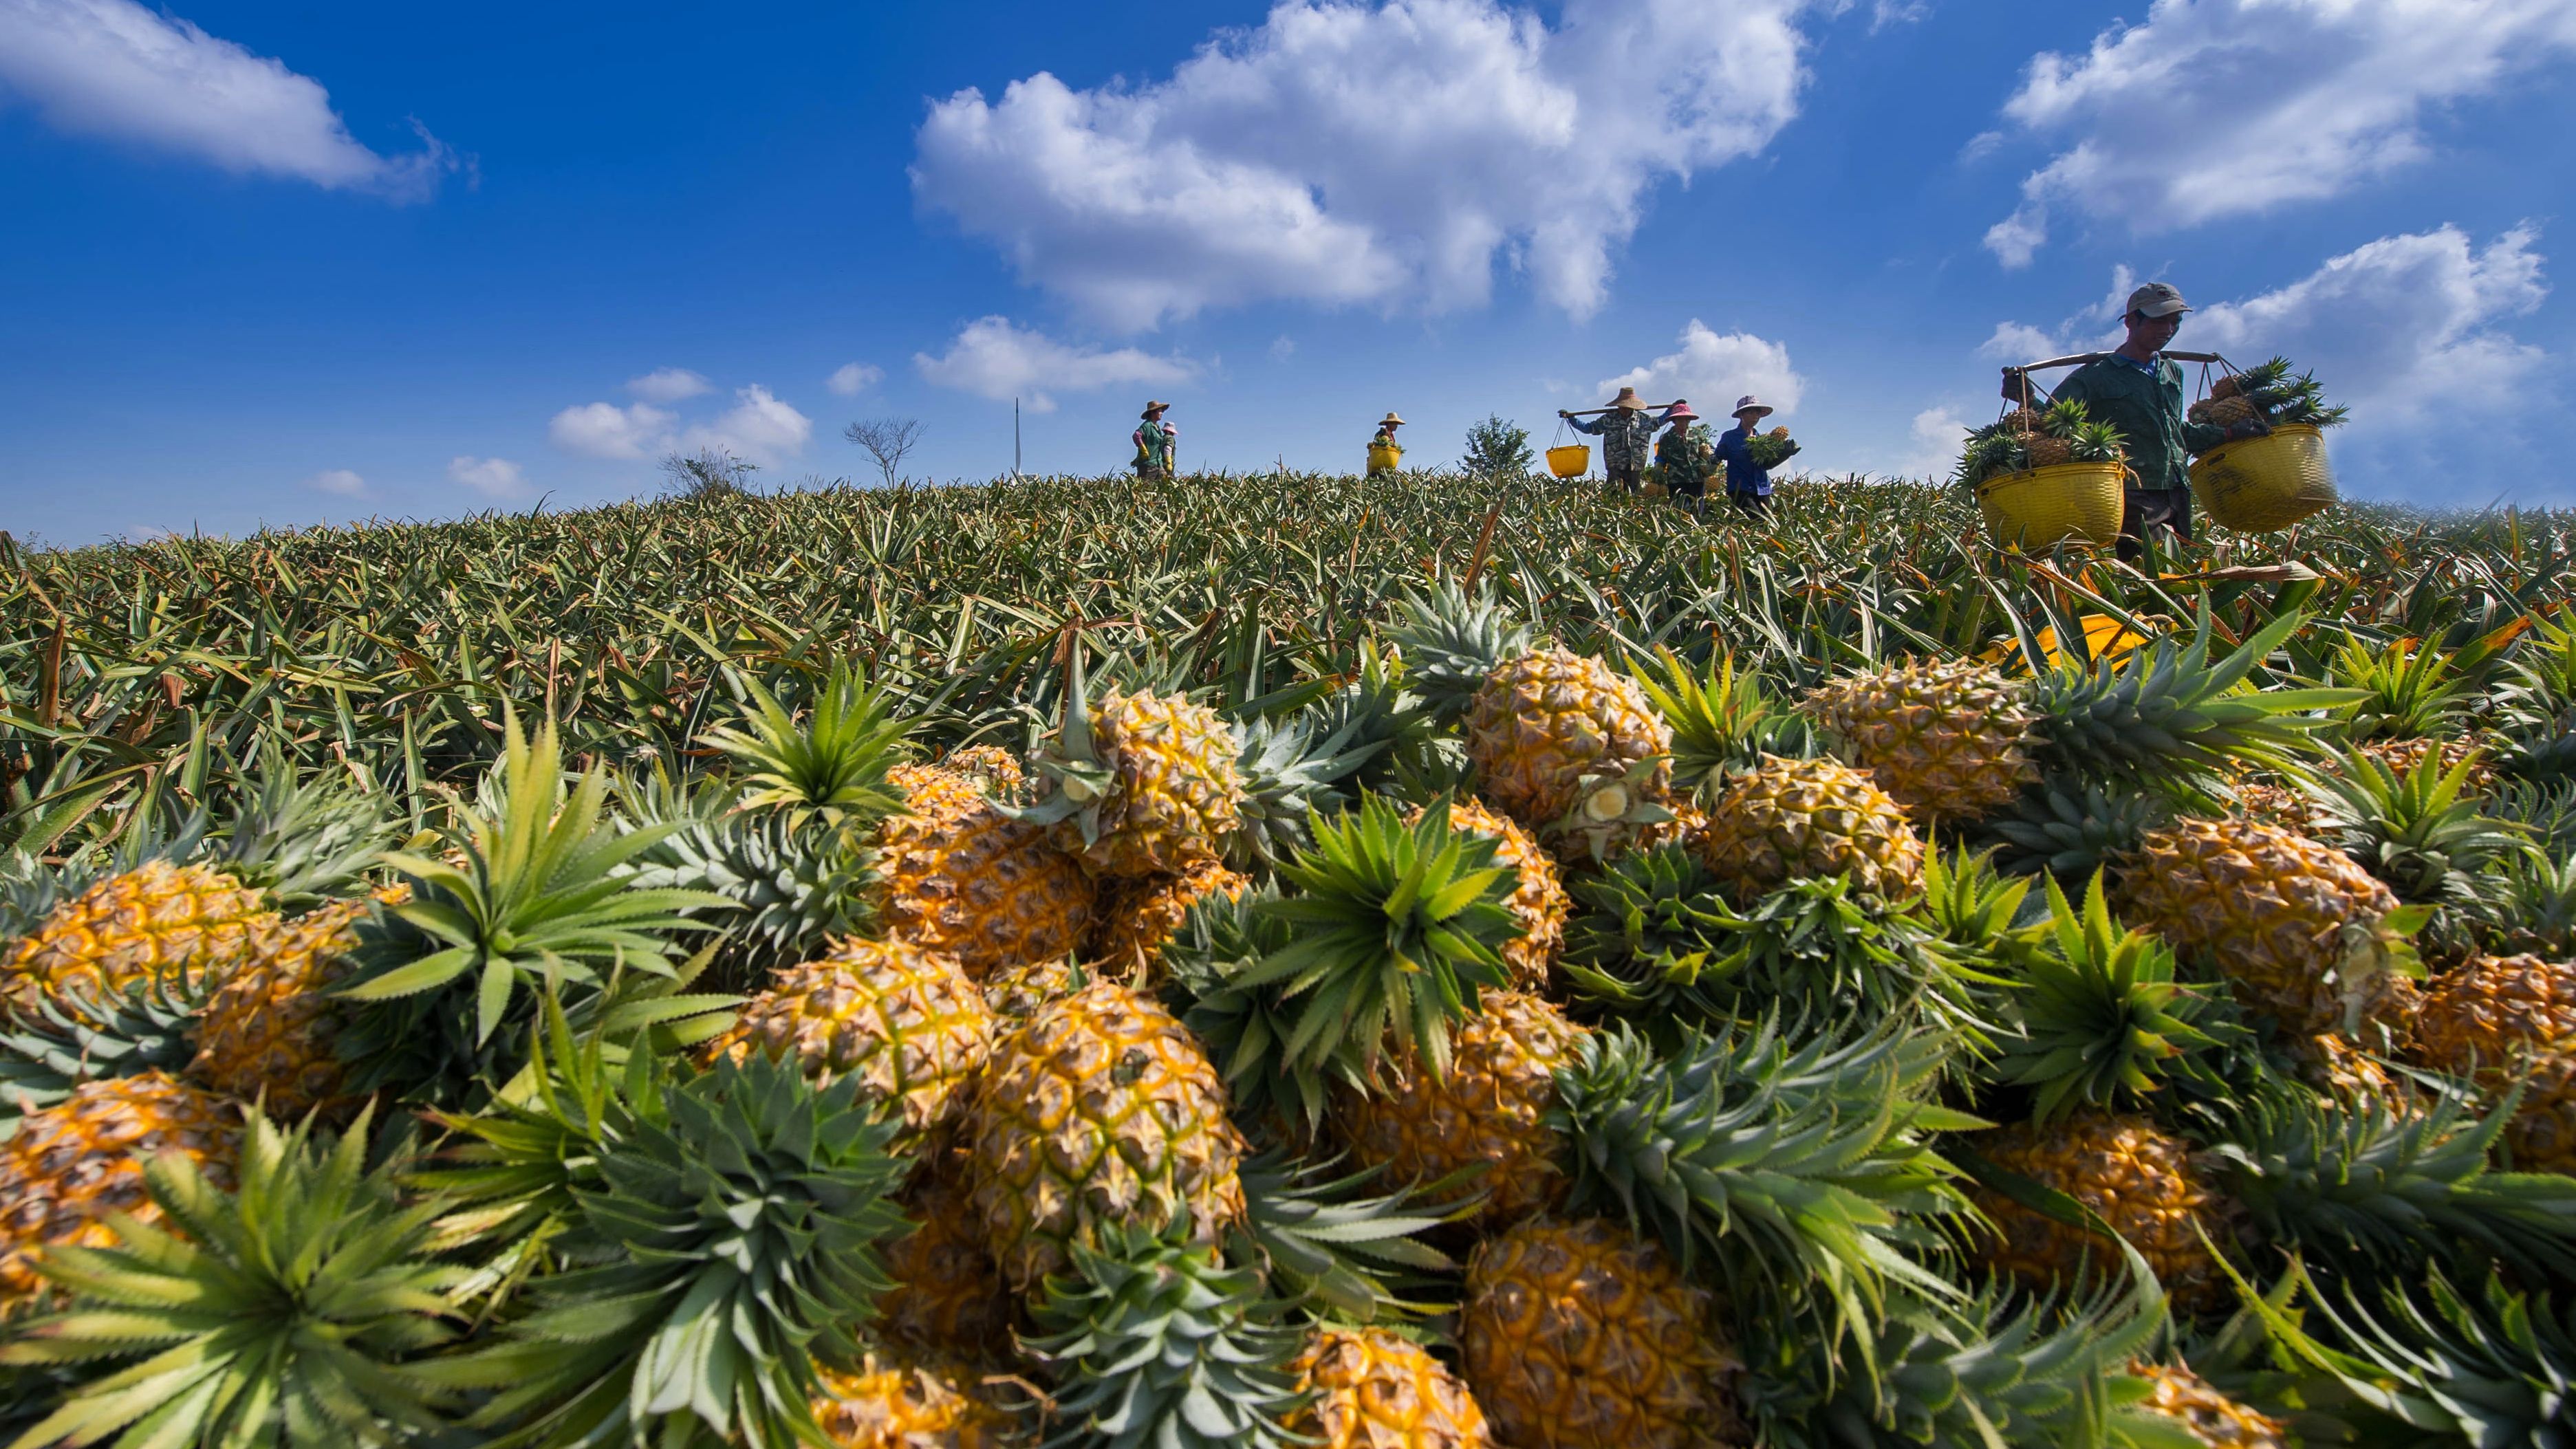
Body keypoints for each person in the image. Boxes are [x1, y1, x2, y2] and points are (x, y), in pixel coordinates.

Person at [2002, 282, 2267, 562]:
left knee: (2181, 573)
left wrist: (2229, 432)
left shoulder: (2171, 371)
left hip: (2177, 488)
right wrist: (2027, 398)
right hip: (2133, 491)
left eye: (2174, 321)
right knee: (2149, 570)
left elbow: (2175, 431)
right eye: (2158, 321)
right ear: (2131, 322)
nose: (2167, 330)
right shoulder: (2094, 377)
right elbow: (2052, 421)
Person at [1559, 386, 1656, 491]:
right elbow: (1589, 428)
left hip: (1635, 465)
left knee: (1634, 494)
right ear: (1618, 406)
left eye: (1628, 407)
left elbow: (1661, 421)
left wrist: (1673, 410)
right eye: (1622, 407)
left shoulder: (1644, 420)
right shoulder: (1608, 419)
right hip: (1615, 464)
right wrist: (1572, 419)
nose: (1625, 410)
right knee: (1613, 492)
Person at [1712, 395, 1777, 519]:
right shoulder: (1729, 437)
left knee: (1767, 524)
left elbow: (1768, 463)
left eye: (1757, 413)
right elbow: (1718, 456)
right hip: (1740, 488)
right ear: (1741, 415)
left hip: (1762, 487)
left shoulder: (1762, 439)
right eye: (1751, 413)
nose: (1755, 417)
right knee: (1756, 520)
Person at [1653, 401, 1713, 515]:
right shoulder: (1666, 438)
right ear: (1674, 421)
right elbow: (1661, 457)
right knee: (1681, 511)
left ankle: (1698, 532)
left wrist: (1708, 463)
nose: (1683, 422)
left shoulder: (1697, 434)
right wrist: (1658, 472)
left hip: (1697, 478)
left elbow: (1707, 450)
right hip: (1676, 480)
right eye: (1680, 419)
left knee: (1698, 512)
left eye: (1686, 419)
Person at [1133, 400, 1177, 480]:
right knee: (1147, 488)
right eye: (1160, 411)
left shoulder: (1157, 427)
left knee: (1166, 482)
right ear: (1153, 413)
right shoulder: (1147, 426)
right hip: (1148, 465)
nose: (1161, 413)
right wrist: (1143, 450)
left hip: (1158, 464)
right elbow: (1136, 436)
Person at [1369, 411, 1405, 475]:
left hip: (1387, 467)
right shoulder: (1383, 433)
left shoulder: (1390, 435)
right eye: (1395, 424)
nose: (1396, 426)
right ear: (1389, 424)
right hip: (1380, 468)